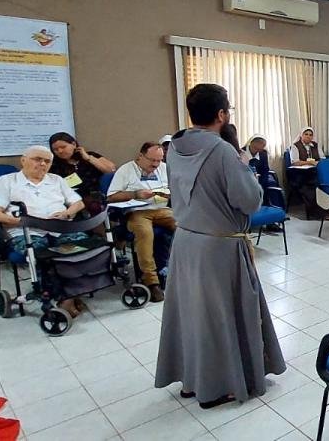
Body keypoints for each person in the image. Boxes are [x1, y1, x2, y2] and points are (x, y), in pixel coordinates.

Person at [154, 83, 286, 409]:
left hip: (186, 241)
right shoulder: (222, 150)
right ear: (222, 114)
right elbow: (250, 201)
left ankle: (193, 378)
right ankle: (218, 386)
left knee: (192, 313)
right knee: (219, 317)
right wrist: (245, 167)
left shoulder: (174, 145)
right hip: (218, 246)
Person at [0, 145, 87, 316]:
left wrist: (67, 213)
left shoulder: (56, 180)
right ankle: (65, 296)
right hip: (26, 231)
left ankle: (69, 293)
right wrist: (22, 221)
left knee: (83, 248)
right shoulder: (7, 181)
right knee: (44, 256)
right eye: (37, 159)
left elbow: (78, 203)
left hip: (59, 227)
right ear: (23, 160)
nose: (43, 164)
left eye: (47, 161)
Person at [106, 141, 176, 302]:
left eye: (159, 160)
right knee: (145, 233)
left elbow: (176, 188)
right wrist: (135, 194)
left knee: (185, 226)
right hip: (137, 211)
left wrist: (170, 193)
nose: (156, 164)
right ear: (140, 156)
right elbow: (111, 197)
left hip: (162, 209)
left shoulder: (164, 168)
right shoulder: (126, 170)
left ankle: (182, 268)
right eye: (152, 160)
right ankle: (151, 281)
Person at [48, 132, 116, 215]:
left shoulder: (90, 155)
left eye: (63, 147)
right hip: (70, 196)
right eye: (55, 149)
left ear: (73, 144)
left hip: (94, 193)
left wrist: (88, 158)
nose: (60, 151)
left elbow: (111, 170)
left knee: (94, 205)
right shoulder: (53, 165)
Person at [287, 127, 329, 222]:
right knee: (312, 188)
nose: (308, 136)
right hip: (300, 175)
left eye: (310, 135)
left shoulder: (315, 145)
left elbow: (322, 158)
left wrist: (317, 162)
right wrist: (310, 162)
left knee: (325, 185)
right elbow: (295, 162)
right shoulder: (295, 146)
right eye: (306, 134)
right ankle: (323, 213)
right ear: (301, 135)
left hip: (314, 172)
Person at [242, 135, 282, 208]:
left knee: (270, 183)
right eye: (255, 148)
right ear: (251, 144)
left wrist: (261, 182)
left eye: (260, 149)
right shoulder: (241, 152)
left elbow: (265, 170)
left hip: (260, 176)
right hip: (246, 178)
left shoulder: (263, 153)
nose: (257, 151)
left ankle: (274, 207)